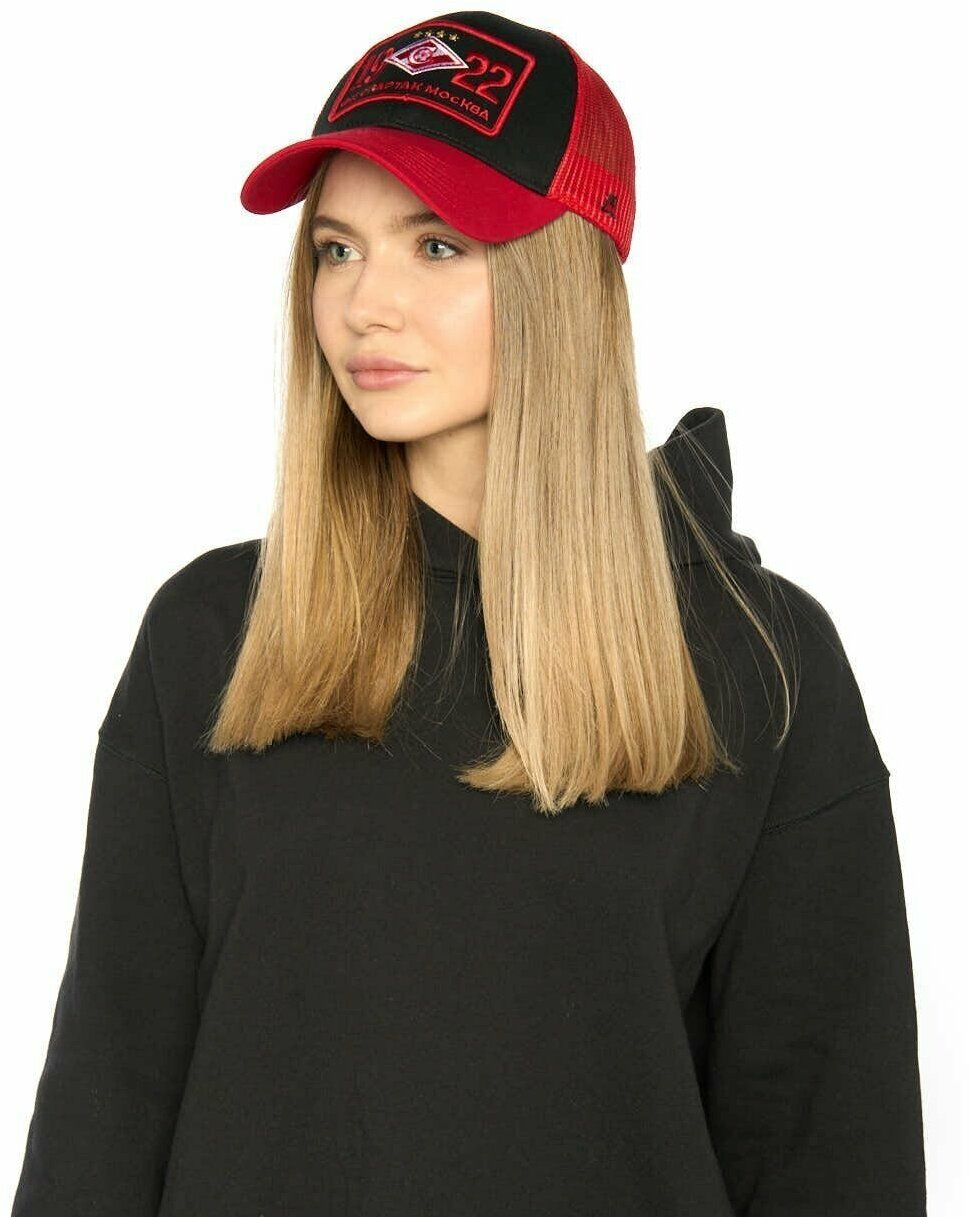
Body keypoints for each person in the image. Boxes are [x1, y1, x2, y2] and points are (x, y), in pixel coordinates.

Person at [11, 10, 926, 1215]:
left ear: (562, 273)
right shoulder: (218, 635)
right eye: (336, 249)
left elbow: (830, 1150)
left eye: (436, 245)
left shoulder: (756, 660)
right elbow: (104, 1111)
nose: (364, 304)